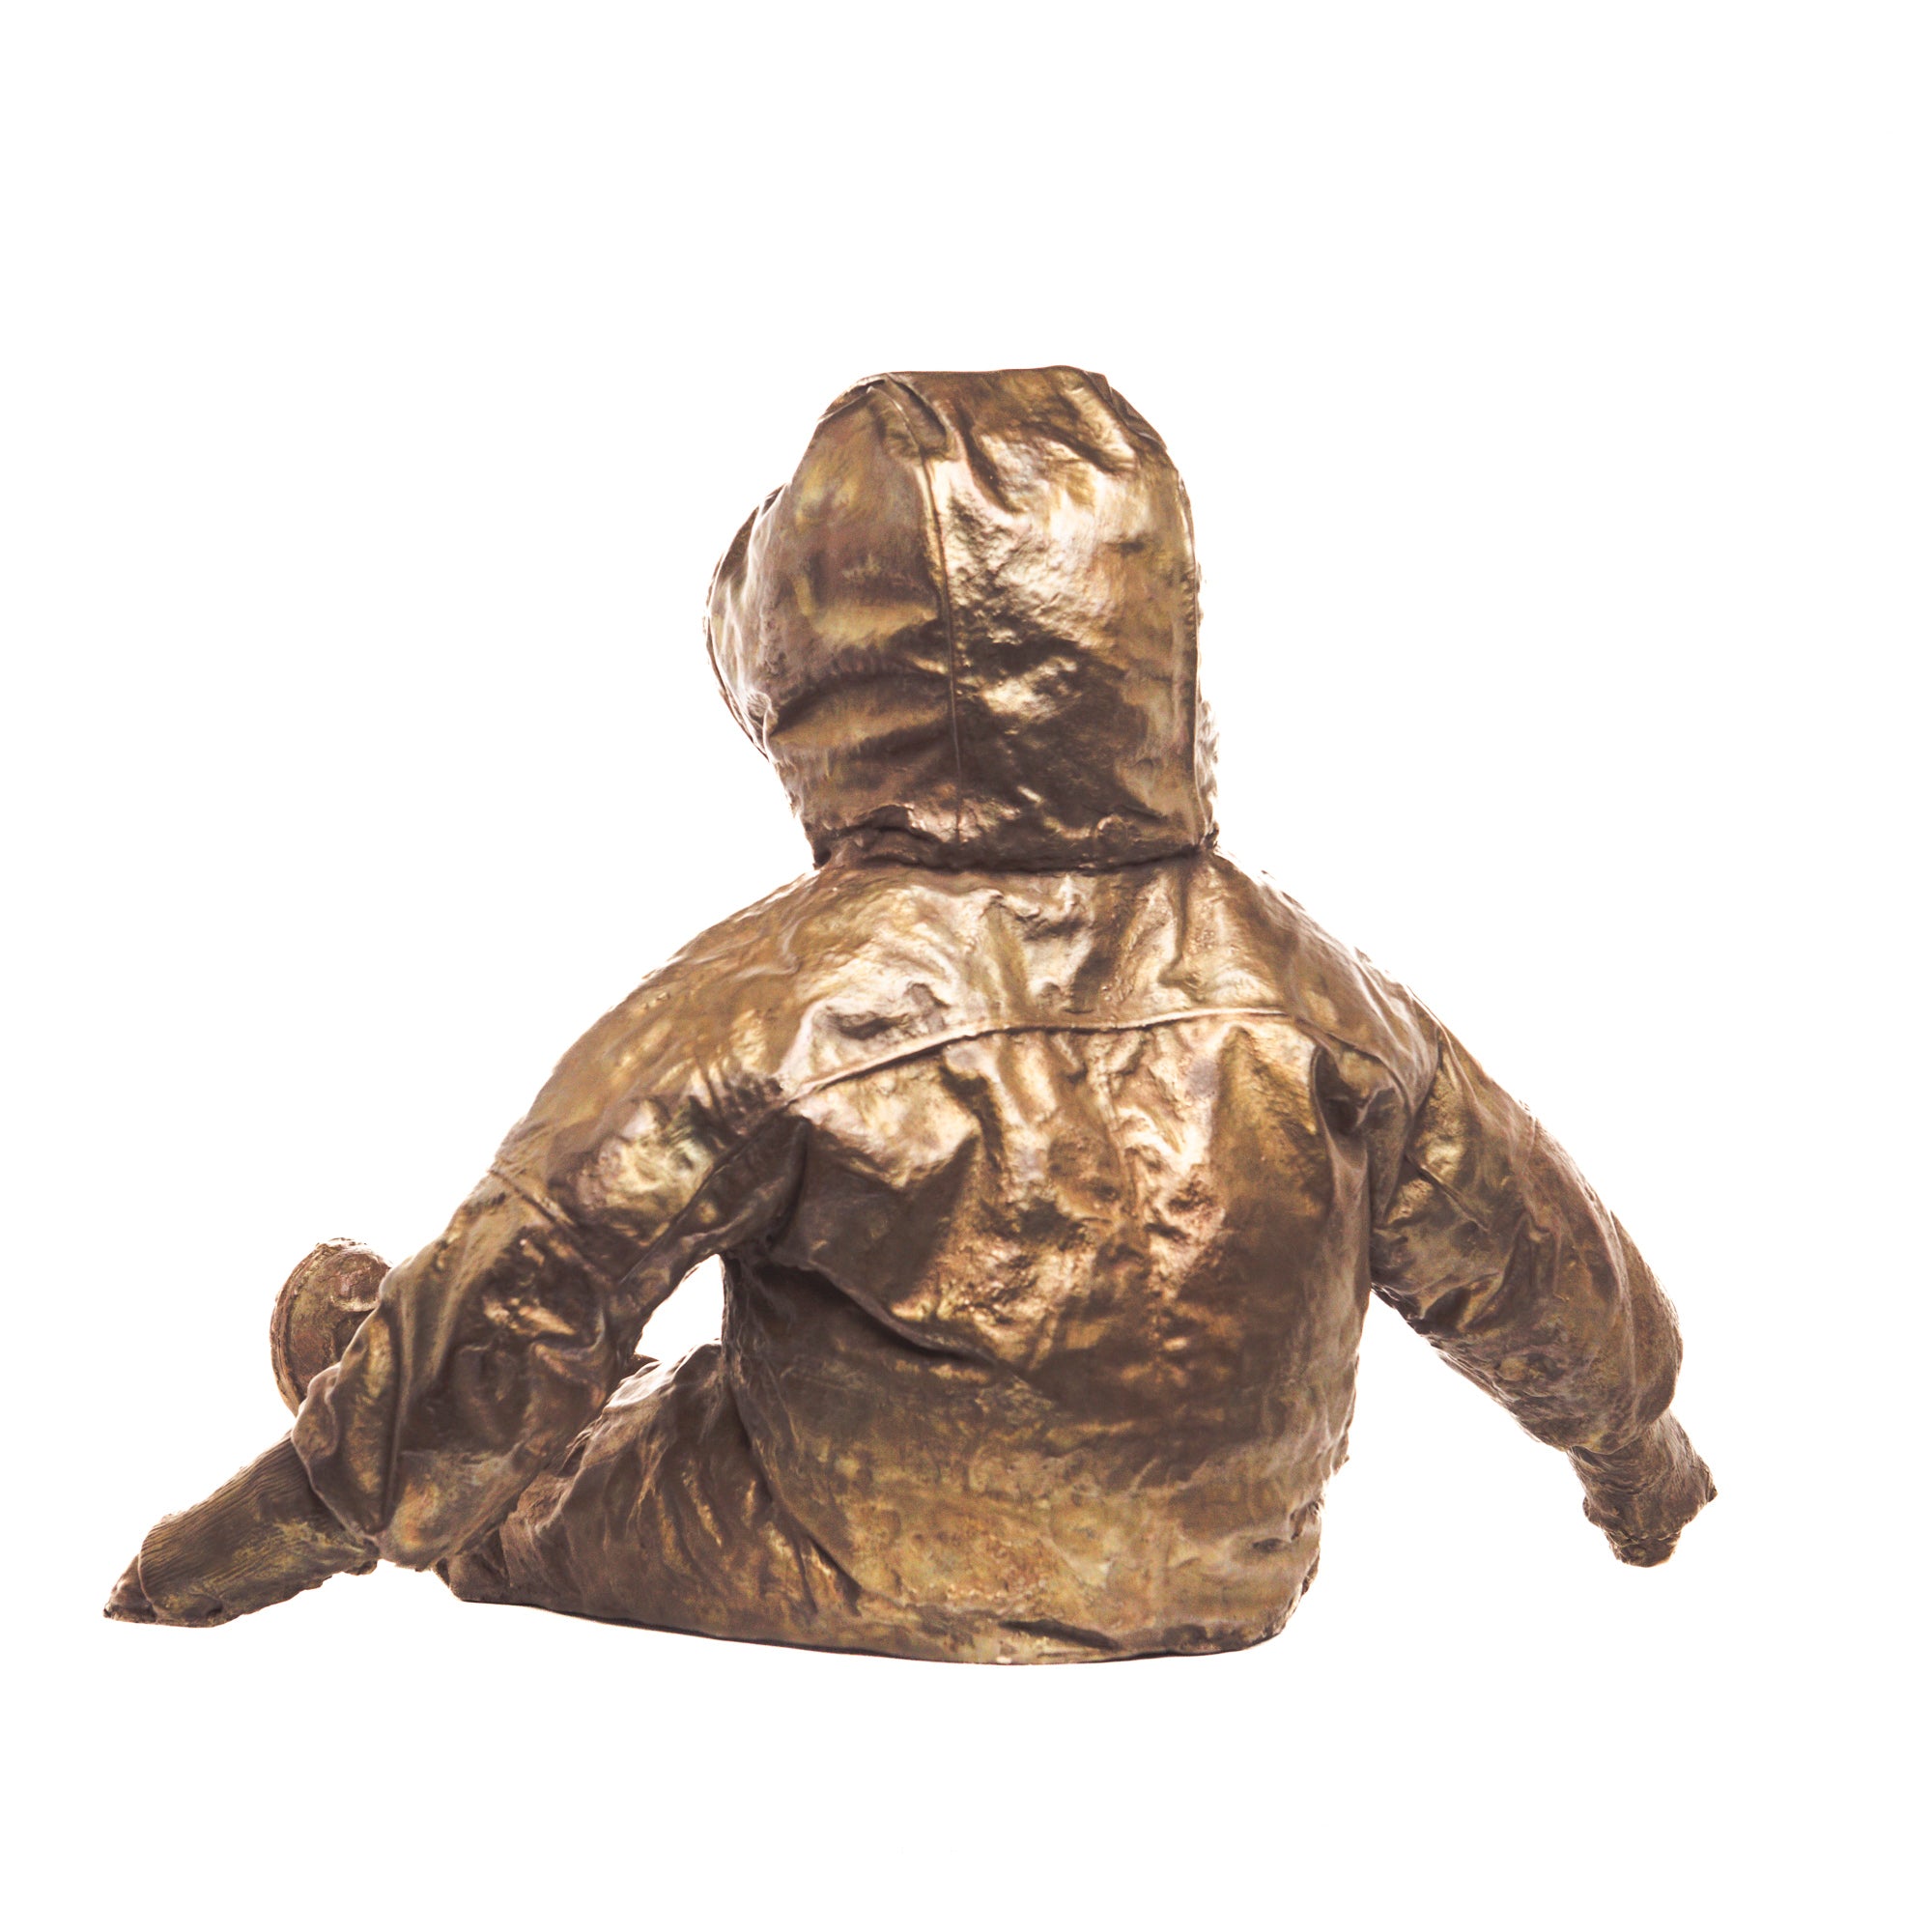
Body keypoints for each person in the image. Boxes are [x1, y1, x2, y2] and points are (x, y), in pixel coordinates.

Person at [107, 367, 1714, 1661]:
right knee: (609, 1388)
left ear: (822, 683)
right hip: (1231, 1577)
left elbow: (547, 1263)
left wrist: (261, 1527)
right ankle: (417, 1407)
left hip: (844, 1553)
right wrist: (1641, 1465)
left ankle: (363, 1397)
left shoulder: (770, 1004)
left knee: (534, 1484)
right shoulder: (1321, 994)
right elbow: (1531, 1251)